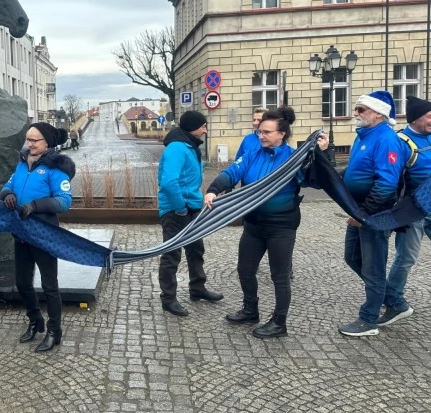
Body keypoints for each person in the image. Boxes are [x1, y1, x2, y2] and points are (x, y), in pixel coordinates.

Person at [204, 107, 327, 338]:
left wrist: (319, 156)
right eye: (260, 132)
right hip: (253, 224)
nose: (261, 136)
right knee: (245, 269)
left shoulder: (293, 158)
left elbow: (315, 182)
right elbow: (232, 172)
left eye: (267, 132)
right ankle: (251, 309)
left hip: (281, 226)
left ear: (282, 133)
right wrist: (213, 190)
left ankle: (279, 323)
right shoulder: (253, 153)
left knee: (279, 276)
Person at [335, 90, 405, 337]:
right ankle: (395, 303)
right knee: (353, 257)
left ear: (378, 113)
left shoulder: (385, 138)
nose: (355, 113)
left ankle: (369, 320)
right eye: (356, 108)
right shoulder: (364, 135)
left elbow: (386, 184)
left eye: (361, 109)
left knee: (373, 267)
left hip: (374, 215)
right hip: (359, 211)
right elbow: (355, 171)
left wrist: (363, 215)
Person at [1, 122, 74, 352]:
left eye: (34, 140)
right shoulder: (23, 163)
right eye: (28, 139)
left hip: (44, 234)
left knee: (49, 285)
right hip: (22, 233)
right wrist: (8, 195)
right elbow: (7, 185)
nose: (29, 144)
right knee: (22, 282)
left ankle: (54, 331)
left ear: (47, 143)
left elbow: (64, 201)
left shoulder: (55, 168)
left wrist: (35, 205)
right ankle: (35, 320)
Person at [158, 110, 223, 317]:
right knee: (172, 254)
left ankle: (197, 288)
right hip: (176, 209)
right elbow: (169, 181)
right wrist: (180, 207)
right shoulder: (177, 148)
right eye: (203, 125)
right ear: (193, 127)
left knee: (196, 249)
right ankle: (168, 299)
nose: (205, 129)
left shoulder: (190, 145)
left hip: (192, 206)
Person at [381, 95, 431, 325]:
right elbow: (390, 178)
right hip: (414, 210)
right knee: (406, 258)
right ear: (416, 118)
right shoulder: (400, 141)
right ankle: (393, 300)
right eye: (430, 116)